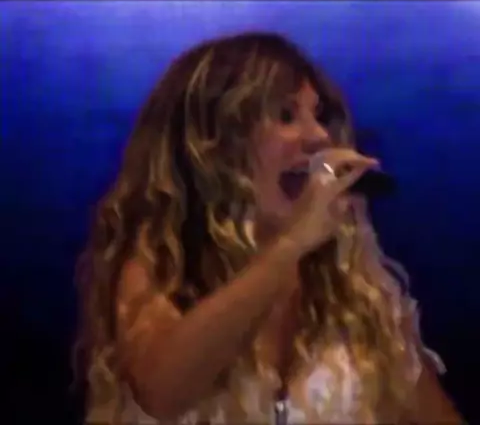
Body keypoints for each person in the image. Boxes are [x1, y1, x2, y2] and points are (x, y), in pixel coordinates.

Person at [76, 32, 462, 424]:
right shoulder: (161, 266)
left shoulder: (356, 290)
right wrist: (292, 243)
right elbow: (161, 393)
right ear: (213, 147)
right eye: (286, 115)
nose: (319, 136)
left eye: (319, 116)